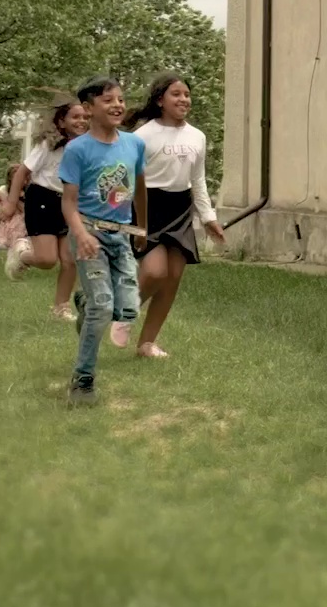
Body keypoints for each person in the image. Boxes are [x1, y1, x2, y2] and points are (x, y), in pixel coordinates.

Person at [126, 74, 228, 359]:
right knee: (154, 272)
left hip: (180, 209)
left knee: (172, 279)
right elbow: (128, 179)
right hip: (147, 206)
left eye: (186, 94)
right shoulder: (141, 136)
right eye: (176, 94)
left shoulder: (197, 136)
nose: (184, 99)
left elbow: (198, 180)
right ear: (160, 100)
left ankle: (147, 344)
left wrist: (208, 218)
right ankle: (124, 312)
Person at [61, 77, 147, 405]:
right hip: (88, 232)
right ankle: (83, 381)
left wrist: (142, 231)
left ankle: (83, 303)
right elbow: (68, 202)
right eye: (108, 100)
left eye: (121, 99)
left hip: (121, 235)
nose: (118, 105)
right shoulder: (77, 149)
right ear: (88, 108)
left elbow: (140, 189)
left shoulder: (134, 145)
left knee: (126, 310)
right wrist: (81, 235)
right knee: (102, 307)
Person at [3, 96, 89, 321]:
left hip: (69, 202)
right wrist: (11, 203)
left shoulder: (88, 147)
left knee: (70, 259)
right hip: (42, 199)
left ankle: (61, 308)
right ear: (61, 122)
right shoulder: (49, 145)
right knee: (47, 260)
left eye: (85, 117)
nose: (81, 121)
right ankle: (22, 253)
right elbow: (22, 172)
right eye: (75, 117)